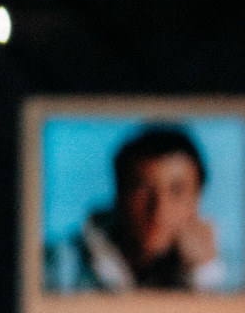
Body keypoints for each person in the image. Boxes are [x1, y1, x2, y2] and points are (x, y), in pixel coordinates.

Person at [53, 122, 228, 292]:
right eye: (143, 189)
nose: (159, 208)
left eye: (177, 190)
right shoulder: (57, 270)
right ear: (120, 194)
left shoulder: (232, 276)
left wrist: (205, 276)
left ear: (196, 200)